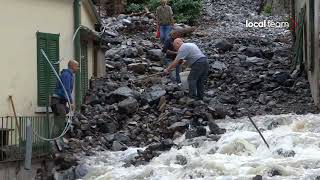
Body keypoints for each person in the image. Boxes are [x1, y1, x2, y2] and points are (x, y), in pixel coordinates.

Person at [50, 60, 79, 136]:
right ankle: (54, 140)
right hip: (57, 101)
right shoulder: (66, 75)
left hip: (60, 102)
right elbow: (66, 89)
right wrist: (71, 103)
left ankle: (56, 139)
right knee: (60, 121)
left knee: (62, 118)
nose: (78, 68)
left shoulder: (68, 75)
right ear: (72, 66)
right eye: (77, 66)